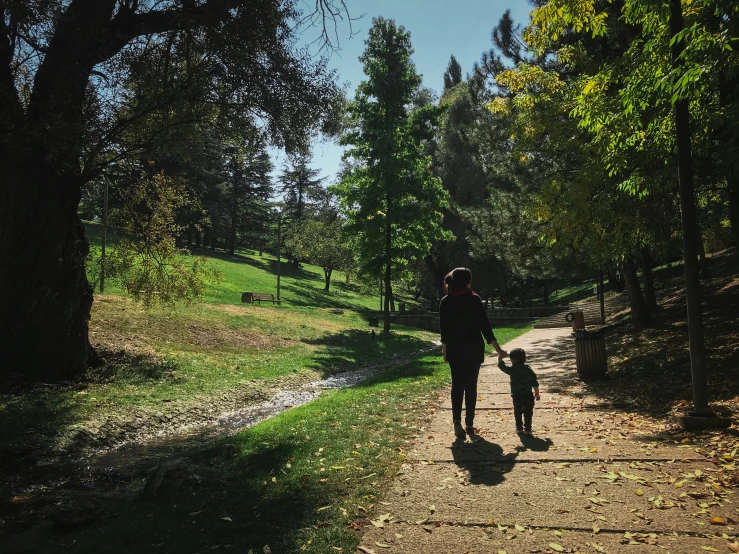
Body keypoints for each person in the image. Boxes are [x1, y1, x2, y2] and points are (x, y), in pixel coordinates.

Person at [440, 268, 507, 442]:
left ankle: (456, 420)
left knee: (457, 385)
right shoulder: (474, 299)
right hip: (473, 349)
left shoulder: (445, 301)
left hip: (454, 349)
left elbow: (444, 330)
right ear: (467, 281)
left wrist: (445, 352)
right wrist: (498, 349)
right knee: (471, 386)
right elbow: (485, 326)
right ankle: (469, 423)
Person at [497, 348, 540, 436]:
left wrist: (500, 357)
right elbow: (534, 382)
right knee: (528, 412)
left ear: (512, 360)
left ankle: (519, 428)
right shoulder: (528, 370)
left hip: (517, 396)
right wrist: (537, 393)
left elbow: (502, 367)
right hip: (528, 395)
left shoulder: (512, 370)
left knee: (518, 412)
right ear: (525, 359)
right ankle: (528, 428)